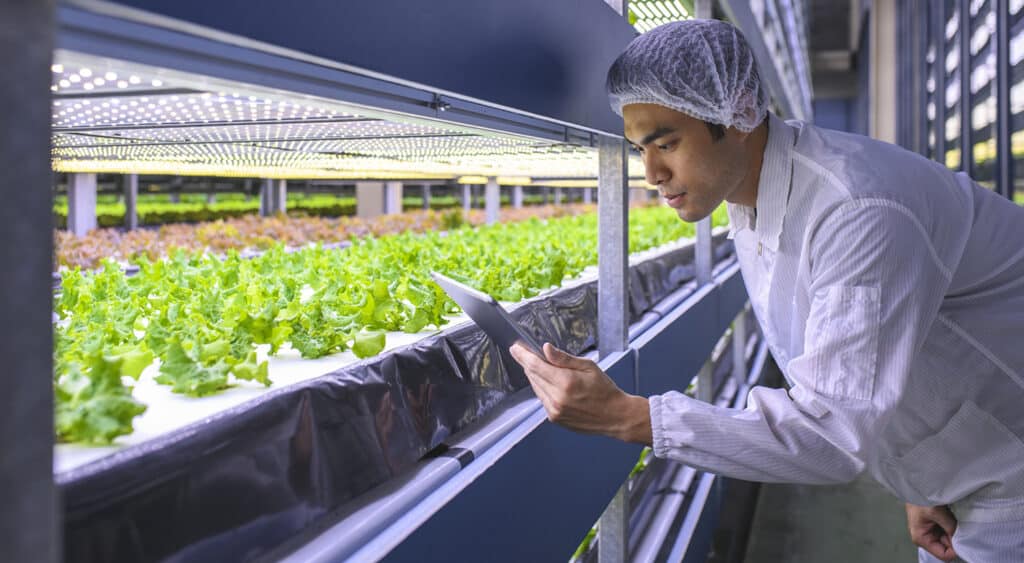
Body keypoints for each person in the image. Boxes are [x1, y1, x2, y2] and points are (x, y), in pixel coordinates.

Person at [508, 19, 1024, 563]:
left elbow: (828, 432)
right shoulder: (749, 194)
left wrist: (626, 415)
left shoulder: (857, 210)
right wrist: (921, 481)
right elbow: (866, 364)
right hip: (964, 475)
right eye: (640, 149)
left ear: (738, 118)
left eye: (667, 143)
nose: (652, 172)